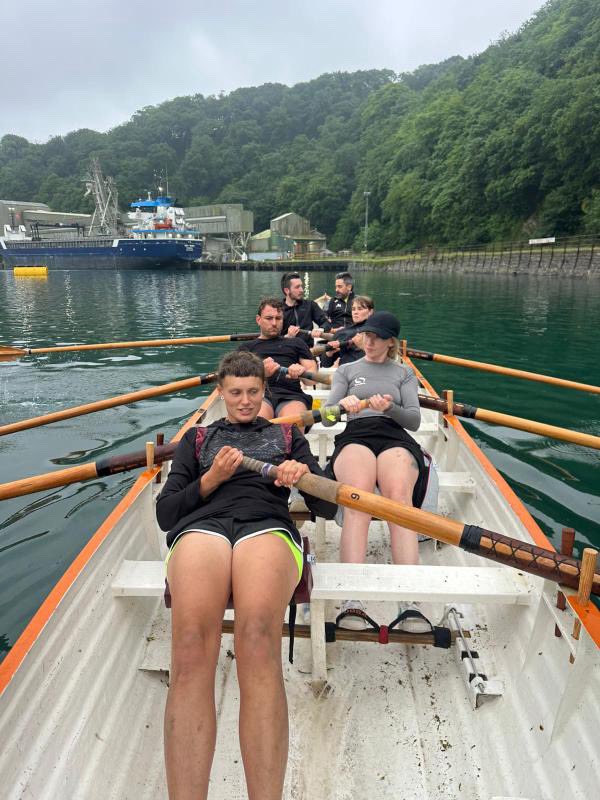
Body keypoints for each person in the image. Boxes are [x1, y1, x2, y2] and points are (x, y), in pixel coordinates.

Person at [157, 350, 336, 800]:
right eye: (234, 392)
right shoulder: (198, 440)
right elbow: (166, 514)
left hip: (266, 527)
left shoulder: (288, 439)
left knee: (257, 638)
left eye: (252, 392)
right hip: (203, 528)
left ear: (263, 392)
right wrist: (212, 478)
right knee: (192, 645)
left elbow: (329, 507)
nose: (243, 401)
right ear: (221, 392)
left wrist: (303, 478)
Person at [324, 311, 431, 633]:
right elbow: (327, 417)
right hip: (356, 435)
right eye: (365, 335)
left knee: (400, 501)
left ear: (389, 342)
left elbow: (413, 421)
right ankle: (352, 599)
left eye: (375, 336)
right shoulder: (346, 370)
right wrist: (344, 407)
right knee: (360, 497)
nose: (367, 341)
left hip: (395, 435)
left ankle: (410, 601)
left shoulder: (403, 374)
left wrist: (390, 408)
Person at [238, 297, 318, 427]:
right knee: (255, 426)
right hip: (258, 395)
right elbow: (235, 382)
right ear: (258, 320)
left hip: (292, 396)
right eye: (269, 318)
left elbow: (312, 380)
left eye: (278, 318)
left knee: (291, 428)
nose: (274, 323)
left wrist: (302, 372)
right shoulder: (246, 348)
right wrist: (261, 374)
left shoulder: (296, 343)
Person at [323, 294, 374, 367]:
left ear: (370, 312)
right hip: (345, 372)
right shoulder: (341, 333)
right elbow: (326, 364)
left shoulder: (375, 332)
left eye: (360, 309)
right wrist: (329, 353)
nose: (355, 312)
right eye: (353, 309)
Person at [281, 271, 331, 344]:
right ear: (287, 290)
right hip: (287, 351)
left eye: (301, 286)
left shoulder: (310, 305)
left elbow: (326, 323)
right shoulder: (278, 310)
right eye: (297, 287)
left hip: (308, 350)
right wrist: (287, 336)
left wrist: (321, 330)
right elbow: (274, 338)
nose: (302, 290)